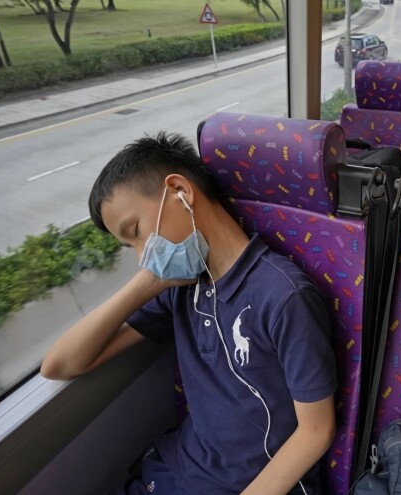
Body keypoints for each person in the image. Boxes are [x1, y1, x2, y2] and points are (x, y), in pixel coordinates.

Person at [40, 133, 338, 494]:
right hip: (176, 470)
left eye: (136, 233)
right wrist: (147, 283)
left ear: (180, 190)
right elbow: (60, 364)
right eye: (130, 247)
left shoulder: (283, 296)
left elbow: (316, 431)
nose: (141, 255)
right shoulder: (179, 289)